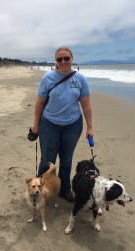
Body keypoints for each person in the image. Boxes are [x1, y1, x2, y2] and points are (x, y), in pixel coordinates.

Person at [30, 47, 94, 202]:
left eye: (66, 58)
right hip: (49, 125)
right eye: (59, 59)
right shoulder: (48, 78)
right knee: (47, 161)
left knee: (66, 160)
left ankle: (64, 190)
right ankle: (41, 190)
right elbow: (39, 103)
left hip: (73, 126)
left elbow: (86, 105)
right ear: (56, 62)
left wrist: (90, 128)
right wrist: (36, 126)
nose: (63, 62)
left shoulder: (80, 79)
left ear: (72, 58)